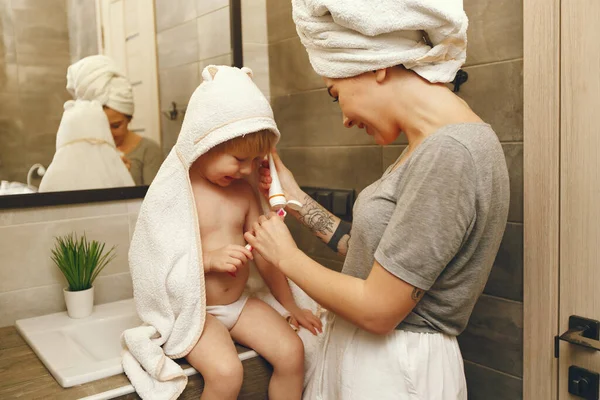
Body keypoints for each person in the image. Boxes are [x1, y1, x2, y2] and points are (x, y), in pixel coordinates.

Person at [243, 1, 511, 399]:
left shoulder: (450, 152)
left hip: (395, 369)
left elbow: (378, 309)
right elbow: (386, 258)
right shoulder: (433, 145)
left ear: (376, 65)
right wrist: (296, 201)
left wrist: (286, 257)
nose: (346, 118)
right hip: (380, 360)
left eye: (336, 96)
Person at [121, 65, 321, 400]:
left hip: (238, 303)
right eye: (239, 159)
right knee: (227, 373)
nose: (246, 169)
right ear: (206, 141)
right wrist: (209, 260)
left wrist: (290, 305)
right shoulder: (178, 194)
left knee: (292, 352)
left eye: (256, 161)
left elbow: (268, 254)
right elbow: (153, 259)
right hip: (195, 313)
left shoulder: (243, 193)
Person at [66, 55, 162, 185]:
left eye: (116, 126)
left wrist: (123, 179)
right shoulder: (86, 152)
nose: (109, 133)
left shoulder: (148, 151)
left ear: (129, 119)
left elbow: (159, 201)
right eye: (102, 126)